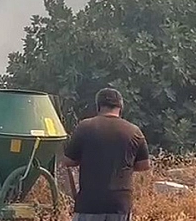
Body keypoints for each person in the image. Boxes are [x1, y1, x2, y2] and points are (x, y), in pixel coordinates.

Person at [63, 87, 151, 221]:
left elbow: (69, 161)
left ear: (98, 106)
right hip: (120, 204)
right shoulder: (134, 131)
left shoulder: (85, 127)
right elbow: (144, 165)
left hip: (89, 204)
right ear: (121, 107)